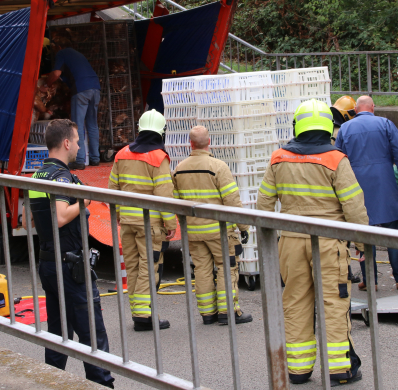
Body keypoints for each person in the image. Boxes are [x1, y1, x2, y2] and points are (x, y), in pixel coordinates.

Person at [257, 99, 368, 386]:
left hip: (290, 243)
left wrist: (268, 244)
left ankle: (298, 370)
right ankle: (340, 370)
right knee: (333, 302)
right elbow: (354, 206)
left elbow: (264, 205)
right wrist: (364, 244)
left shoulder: (279, 158)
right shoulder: (335, 159)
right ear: (328, 126)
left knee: (295, 303)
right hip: (329, 243)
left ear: (297, 125)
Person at [28, 119, 115, 388]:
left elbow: (26, 221)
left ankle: (52, 383)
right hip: (70, 265)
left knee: (58, 332)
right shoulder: (61, 177)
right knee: (92, 332)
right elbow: (60, 216)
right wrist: (85, 199)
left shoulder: (37, 175)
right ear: (66, 143)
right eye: (77, 140)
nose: (78, 145)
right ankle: (102, 384)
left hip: (49, 263)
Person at [171, 126, 253, 325]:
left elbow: (175, 201)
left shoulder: (179, 169)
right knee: (227, 267)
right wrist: (243, 227)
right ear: (209, 142)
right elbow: (232, 201)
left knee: (202, 270)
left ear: (190, 144)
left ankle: (208, 314)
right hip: (219, 231)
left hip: (193, 232)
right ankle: (228, 312)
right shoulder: (218, 167)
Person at [335, 96, 398, 291]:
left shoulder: (345, 128)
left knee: (364, 231)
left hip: (356, 186)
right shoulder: (385, 124)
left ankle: (369, 280)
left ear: (355, 109)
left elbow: (337, 159)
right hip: (385, 183)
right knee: (392, 233)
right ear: (373, 107)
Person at [108, 109, 177, 332]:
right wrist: (171, 224)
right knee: (149, 267)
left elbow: (113, 189)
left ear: (139, 129)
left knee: (133, 267)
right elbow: (164, 195)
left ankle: (138, 313)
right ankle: (144, 316)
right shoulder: (159, 157)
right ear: (161, 131)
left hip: (127, 222)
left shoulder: (121, 154)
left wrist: (119, 214)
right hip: (150, 225)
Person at [47, 36, 101, 170]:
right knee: (92, 124)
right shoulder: (77, 54)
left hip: (82, 90)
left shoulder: (62, 53)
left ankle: (79, 160)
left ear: (59, 47)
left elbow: (56, 73)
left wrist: (46, 84)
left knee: (78, 125)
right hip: (95, 88)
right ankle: (95, 158)